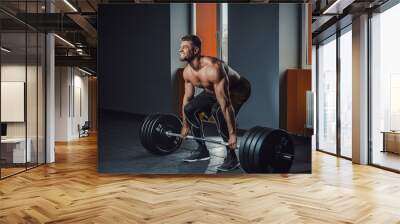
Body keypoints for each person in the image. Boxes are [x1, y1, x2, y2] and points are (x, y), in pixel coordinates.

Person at [178, 34, 251, 171]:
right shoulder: (187, 72)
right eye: (180, 47)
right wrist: (185, 124)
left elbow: (226, 105)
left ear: (195, 50)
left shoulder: (214, 68)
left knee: (217, 111)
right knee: (189, 109)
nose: (180, 50)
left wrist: (233, 134)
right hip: (213, 91)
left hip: (238, 90)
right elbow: (187, 98)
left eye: (185, 47)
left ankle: (232, 157)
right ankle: (202, 150)